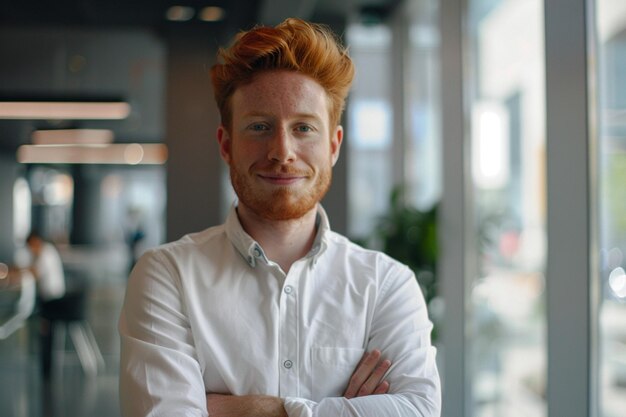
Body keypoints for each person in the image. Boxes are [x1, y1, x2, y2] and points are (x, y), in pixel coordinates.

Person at [119, 17, 441, 417]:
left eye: (304, 127)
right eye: (259, 126)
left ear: (334, 145)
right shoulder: (168, 276)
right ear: (226, 143)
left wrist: (258, 409)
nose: (282, 151)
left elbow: (417, 410)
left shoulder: (387, 285)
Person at [25, 231, 66, 379]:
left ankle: (47, 367)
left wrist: (18, 272)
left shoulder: (45, 253)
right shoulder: (47, 251)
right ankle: (46, 366)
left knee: (46, 331)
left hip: (52, 301)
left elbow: (35, 273)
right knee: (45, 330)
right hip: (50, 299)